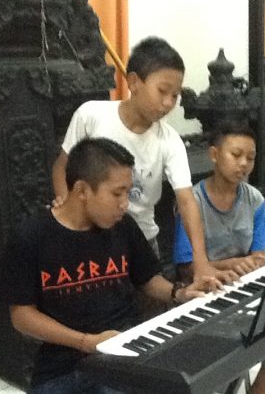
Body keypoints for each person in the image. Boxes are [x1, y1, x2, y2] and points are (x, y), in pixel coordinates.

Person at [0, 138, 221, 393]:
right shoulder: (30, 236)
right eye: (117, 193)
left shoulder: (123, 227)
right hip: (60, 368)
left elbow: (148, 279)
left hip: (124, 356)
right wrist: (86, 342)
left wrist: (179, 293)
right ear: (82, 190)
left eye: (128, 192)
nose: (124, 203)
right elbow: (22, 317)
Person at [52, 36, 235, 283]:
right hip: (90, 236)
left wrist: (201, 262)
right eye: (162, 91)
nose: (168, 103)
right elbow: (62, 168)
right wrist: (67, 216)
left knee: (148, 312)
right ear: (134, 82)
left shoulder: (169, 140)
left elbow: (186, 201)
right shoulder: (91, 115)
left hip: (142, 241)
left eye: (175, 95)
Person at [173, 121, 265, 394]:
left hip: (243, 288)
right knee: (225, 348)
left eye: (250, 157)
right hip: (204, 293)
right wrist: (233, 264)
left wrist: (249, 263)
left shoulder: (255, 200)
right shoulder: (193, 203)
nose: (244, 164)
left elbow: (258, 256)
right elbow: (186, 268)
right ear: (214, 155)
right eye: (236, 155)